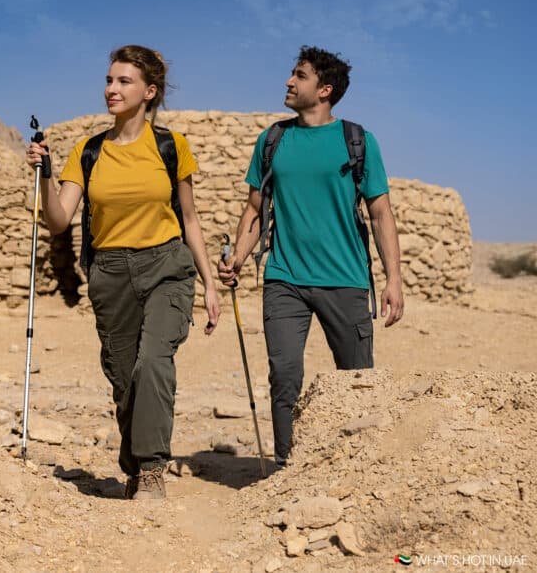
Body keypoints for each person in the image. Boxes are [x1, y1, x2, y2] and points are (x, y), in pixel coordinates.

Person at [26, 45, 220, 500]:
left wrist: (210, 284)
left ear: (149, 92)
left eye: (123, 81)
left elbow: (190, 219)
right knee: (124, 378)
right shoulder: (88, 152)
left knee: (153, 361)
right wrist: (45, 176)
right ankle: (134, 467)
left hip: (166, 266)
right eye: (109, 80)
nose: (111, 89)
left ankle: (151, 470)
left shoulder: (171, 147)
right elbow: (58, 220)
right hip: (110, 272)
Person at [217, 46, 404, 468]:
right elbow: (255, 209)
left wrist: (394, 279)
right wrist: (238, 258)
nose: (288, 81)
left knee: (357, 381)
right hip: (284, 278)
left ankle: (355, 468)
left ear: (324, 90)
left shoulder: (358, 141)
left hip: (346, 280)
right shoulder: (272, 140)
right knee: (284, 377)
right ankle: (286, 467)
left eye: (299, 76)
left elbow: (380, 213)